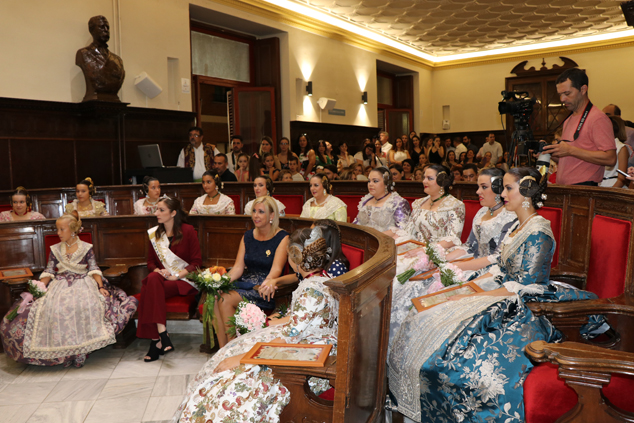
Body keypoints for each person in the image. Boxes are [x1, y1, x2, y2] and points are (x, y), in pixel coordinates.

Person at [387, 167, 606, 423]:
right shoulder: (519, 226)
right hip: (502, 288)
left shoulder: (538, 232)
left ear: (526, 193)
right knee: (425, 314)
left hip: (524, 304)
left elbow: (527, 286)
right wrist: (464, 286)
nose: (502, 194)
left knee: (459, 359)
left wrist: (470, 297)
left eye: (508, 188)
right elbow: (499, 267)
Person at [172, 227, 338, 422]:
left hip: (307, 354)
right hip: (311, 342)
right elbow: (306, 319)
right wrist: (275, 322)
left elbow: (289, 339)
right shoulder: (323, 280)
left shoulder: (311, 291)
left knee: (231, 379)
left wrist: (243, 359)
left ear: (295, 256)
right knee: (234, 347)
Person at [1, 211, 137, 366]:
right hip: (59, 285)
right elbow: (49, 271)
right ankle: (62, 353)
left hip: (83, 283)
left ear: (72, 230)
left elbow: (94, 268)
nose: (58, 233)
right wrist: (39, 287)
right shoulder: (55, 249)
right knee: (50, 308)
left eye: (61, 229)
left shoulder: (86, 248)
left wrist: (100, 286)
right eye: (57, 229)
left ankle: (80, 352)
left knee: (81, 307)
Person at [214, 196, 289, 347]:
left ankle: (232, 346)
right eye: (254, 211)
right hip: (245, 283)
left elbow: (276, 270)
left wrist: (266, 284)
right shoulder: (247, 236)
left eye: (261, 212)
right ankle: (222, 350)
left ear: (272, 215)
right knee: (215, 296)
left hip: (264, 289)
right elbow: (237, 268)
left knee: (224, 299)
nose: (256, 215)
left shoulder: (282, 237)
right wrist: (219, 283)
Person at [137, 197, 202, 362]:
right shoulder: (155, 234)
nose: (156, 213)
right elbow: (150, 262)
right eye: (156, 209)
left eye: (161, 210)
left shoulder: (188, 231)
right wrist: (158, 270)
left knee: (148, 289)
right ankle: (161, 334)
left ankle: (156, 341)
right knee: (153, 277)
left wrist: (176, 276)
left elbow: (196, 263)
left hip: (184, 281)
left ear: (173, 213)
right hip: (161, 280)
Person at [543, 68, 616, 186]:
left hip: (585, 188)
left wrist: (570, 150)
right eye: (560, 94)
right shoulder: (569, 119)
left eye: (567, 93)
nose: (562, 99)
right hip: (566, 188)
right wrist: (547, 152)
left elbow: (610, 158)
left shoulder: (597, 118)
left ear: (583, 89)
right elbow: (570, 160)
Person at [446, 168, 517, 278]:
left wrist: (458, 266)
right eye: (478, 187)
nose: (478, 191)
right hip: (474, 264)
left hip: (492, 272)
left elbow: (498, 257)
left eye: (484, 187)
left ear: (498, 188)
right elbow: (469, 247)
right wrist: (442, 260)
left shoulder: (509, 217)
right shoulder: (482, 211)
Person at [388, 164, 465, 249]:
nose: (424, 181)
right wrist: (389, 244)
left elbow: (452, 239)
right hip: (416, 249)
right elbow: (407, 232)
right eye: (424, 177)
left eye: (429, 178)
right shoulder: (419, 203)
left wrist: (425, 250)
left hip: (439, 251)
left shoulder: (454, 205)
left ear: (442, 181)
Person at [75, 16, 125, 102]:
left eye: (107, 27)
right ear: (92, 30)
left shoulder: (117, 60)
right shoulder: (83, 53)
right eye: (102, 27)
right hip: (93, 102)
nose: (106, 30)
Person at [353, 167, 411, 232]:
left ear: (386, 183)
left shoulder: (398, 203)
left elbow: (402, 230)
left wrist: (375, 237)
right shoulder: (366, 200)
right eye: (369, 181)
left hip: (386, 238)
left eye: (375, 181)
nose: (370, 184)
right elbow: (356, 224)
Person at [600, 115, 630, 188]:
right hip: (598, 185)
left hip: (614, 186)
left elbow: (621, 179)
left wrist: (610, 193)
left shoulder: (621, 148)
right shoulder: (598, 146)